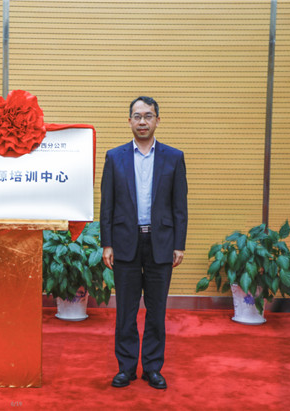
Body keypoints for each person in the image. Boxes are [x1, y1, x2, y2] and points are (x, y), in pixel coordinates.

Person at [100, 96, 187, 390]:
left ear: (157, 121)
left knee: (156, 310)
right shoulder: (115, 157)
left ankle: (152, 367)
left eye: (148, 116)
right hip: (125, 241)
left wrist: (179, 244)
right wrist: (107, 243)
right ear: (129, 121)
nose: (142, 122)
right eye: (137, 116)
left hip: (161, 242)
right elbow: (107, 205)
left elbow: (180, 206)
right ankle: (126, 368)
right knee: (125, 310)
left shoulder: (173, 157)